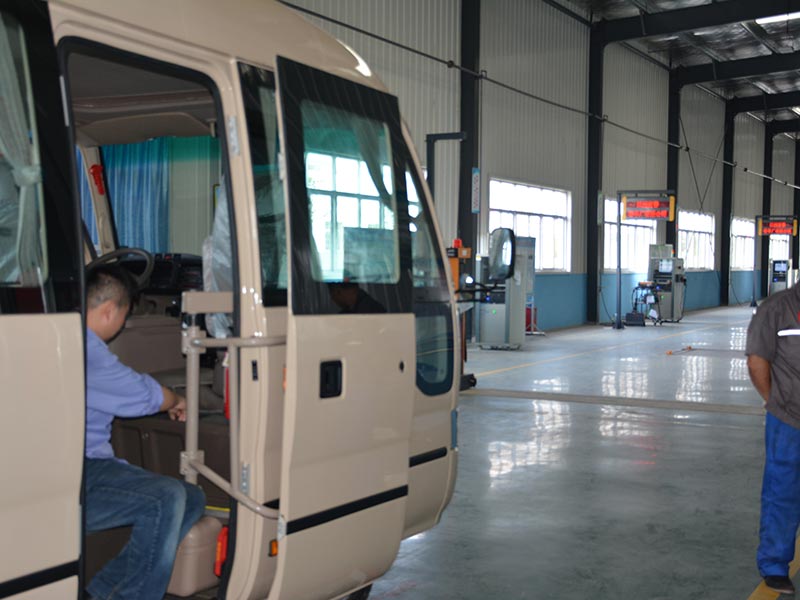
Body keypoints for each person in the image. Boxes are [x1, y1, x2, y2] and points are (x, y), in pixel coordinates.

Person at [84, 264, 206, 600]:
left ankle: (102, 592)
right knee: (167, 497)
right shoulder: (86, 351)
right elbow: (143, 394)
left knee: (192, 497)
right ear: (110, 311)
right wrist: (176, 400)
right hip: (80, 475)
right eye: (124, 316)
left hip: (84, 469)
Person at [746, 283, 800, 596]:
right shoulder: (776, 309)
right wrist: (775, 402)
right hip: (790, 421)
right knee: (783, 491)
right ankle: (775, 564)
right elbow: (757, 360)